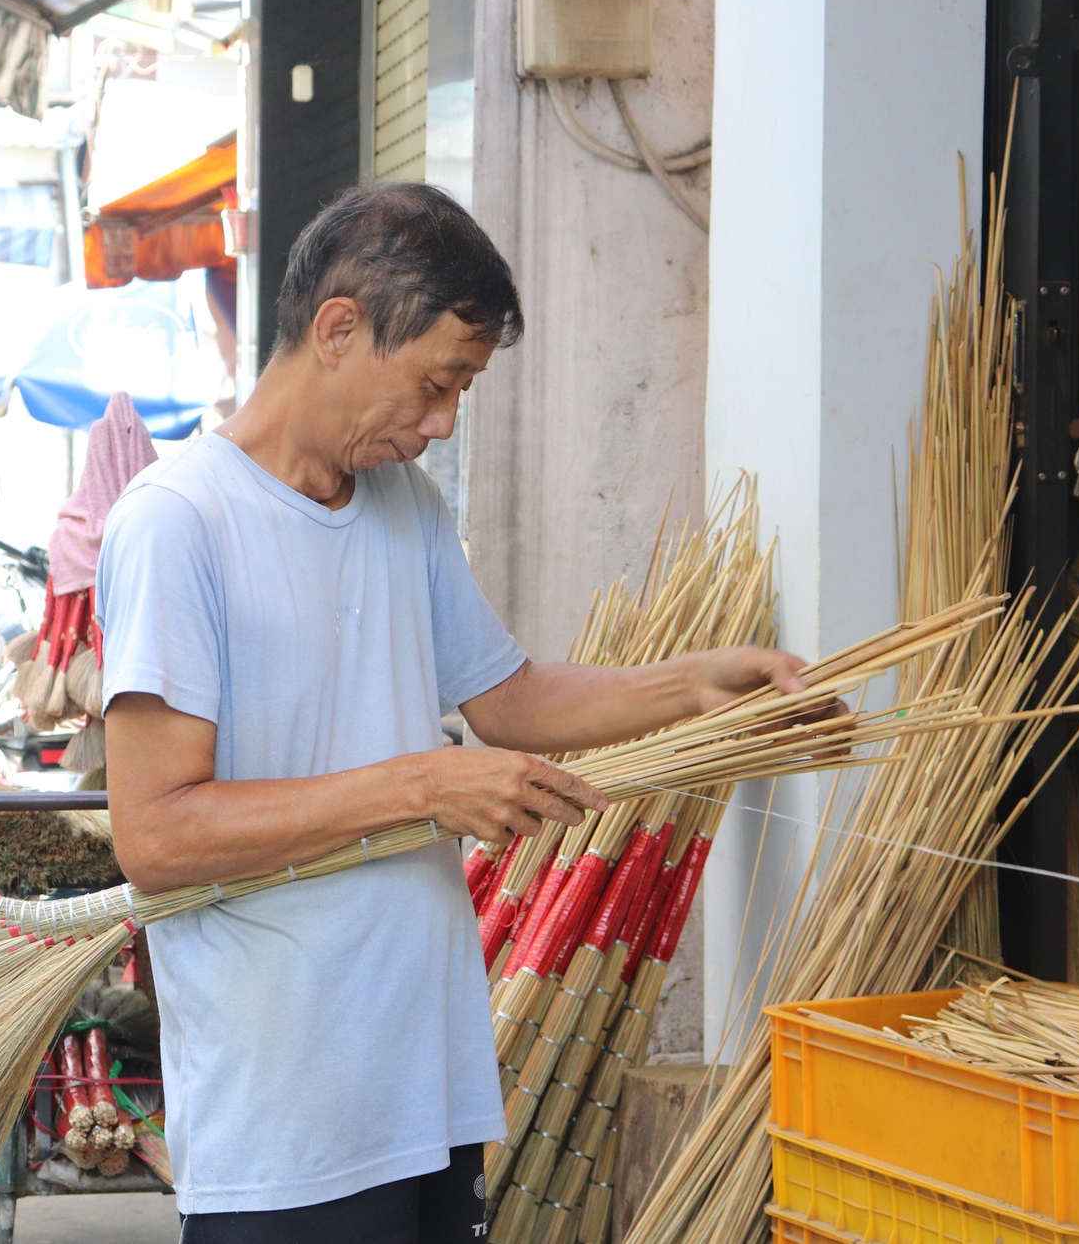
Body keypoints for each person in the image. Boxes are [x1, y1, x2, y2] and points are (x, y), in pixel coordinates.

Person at [97, 183, 831, 1242]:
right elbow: (157, 834)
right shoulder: (178, 525)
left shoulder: (406, 507)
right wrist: (421, 784)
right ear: (338, 328)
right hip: (284, 1113)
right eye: (435, 384)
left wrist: (689, 686)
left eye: (461, 392)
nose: (440, 425)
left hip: (423, 1075)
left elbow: (508, 696)